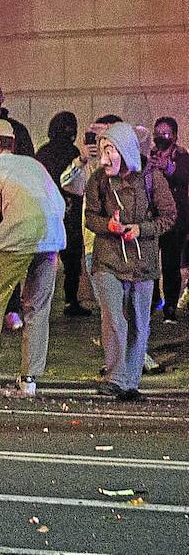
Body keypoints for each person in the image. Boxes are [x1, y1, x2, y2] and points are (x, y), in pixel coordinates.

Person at [0, 119, 67, 398]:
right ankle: (28, 379)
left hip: (16, 238)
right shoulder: (34, 165)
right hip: (52, 236)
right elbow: (60, 203)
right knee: (38, 308)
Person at [85, 122, 176, 402]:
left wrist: (141, 229)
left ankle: (130, 382)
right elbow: (90, 216)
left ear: (125, 150)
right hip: (108, 259)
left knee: (139, 321)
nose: (105, 157)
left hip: (142, 261)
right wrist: (108, 226)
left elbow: (169, 216)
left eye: (110, 150)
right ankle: (115, 376)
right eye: (102, 150)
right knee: (113, 318)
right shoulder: (98, 180)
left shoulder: (151, 179)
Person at [35, 111, 93, 317]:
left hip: (49, 211)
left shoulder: (43, 152)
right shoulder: (72, 152)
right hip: (69, 211)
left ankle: (42, 299)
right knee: (71, 260)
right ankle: (70, 300)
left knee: (46, 258)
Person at [146, 116, 189, 323]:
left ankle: (170, 306)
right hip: (154, 218)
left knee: (171, 264)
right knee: (150, 262)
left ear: (174, 136)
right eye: (157, 133)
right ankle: (154, 300)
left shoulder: (181, 156)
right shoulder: (150, 155)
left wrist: (167, 167)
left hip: (175, 221)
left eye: (165, 134)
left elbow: (183, 177)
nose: (160, 138)